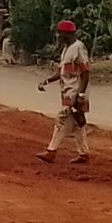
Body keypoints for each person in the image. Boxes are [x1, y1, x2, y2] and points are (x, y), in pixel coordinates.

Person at [36, 20, 91, 164]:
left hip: (74, 92)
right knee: (78, 123)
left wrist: (80, 95)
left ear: (66, 34)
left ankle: (51, 151)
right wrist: (47, 81)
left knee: (61, 118)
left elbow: (85, 73)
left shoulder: (78, 48)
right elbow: (60, 72)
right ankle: (84, 153)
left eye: (60, 33)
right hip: (67, 91)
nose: (58, 36)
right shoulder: (66, 49)